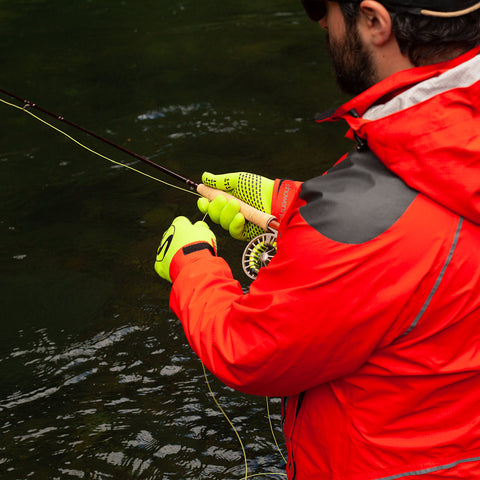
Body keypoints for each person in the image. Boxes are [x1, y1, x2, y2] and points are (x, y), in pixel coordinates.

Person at [154, 0, 480, 478]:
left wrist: (193, 262)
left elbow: (247, 350)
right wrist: (288, 205)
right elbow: (423, 220)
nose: (323, 25)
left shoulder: (358, 220)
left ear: (374, 22)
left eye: (321, 8)